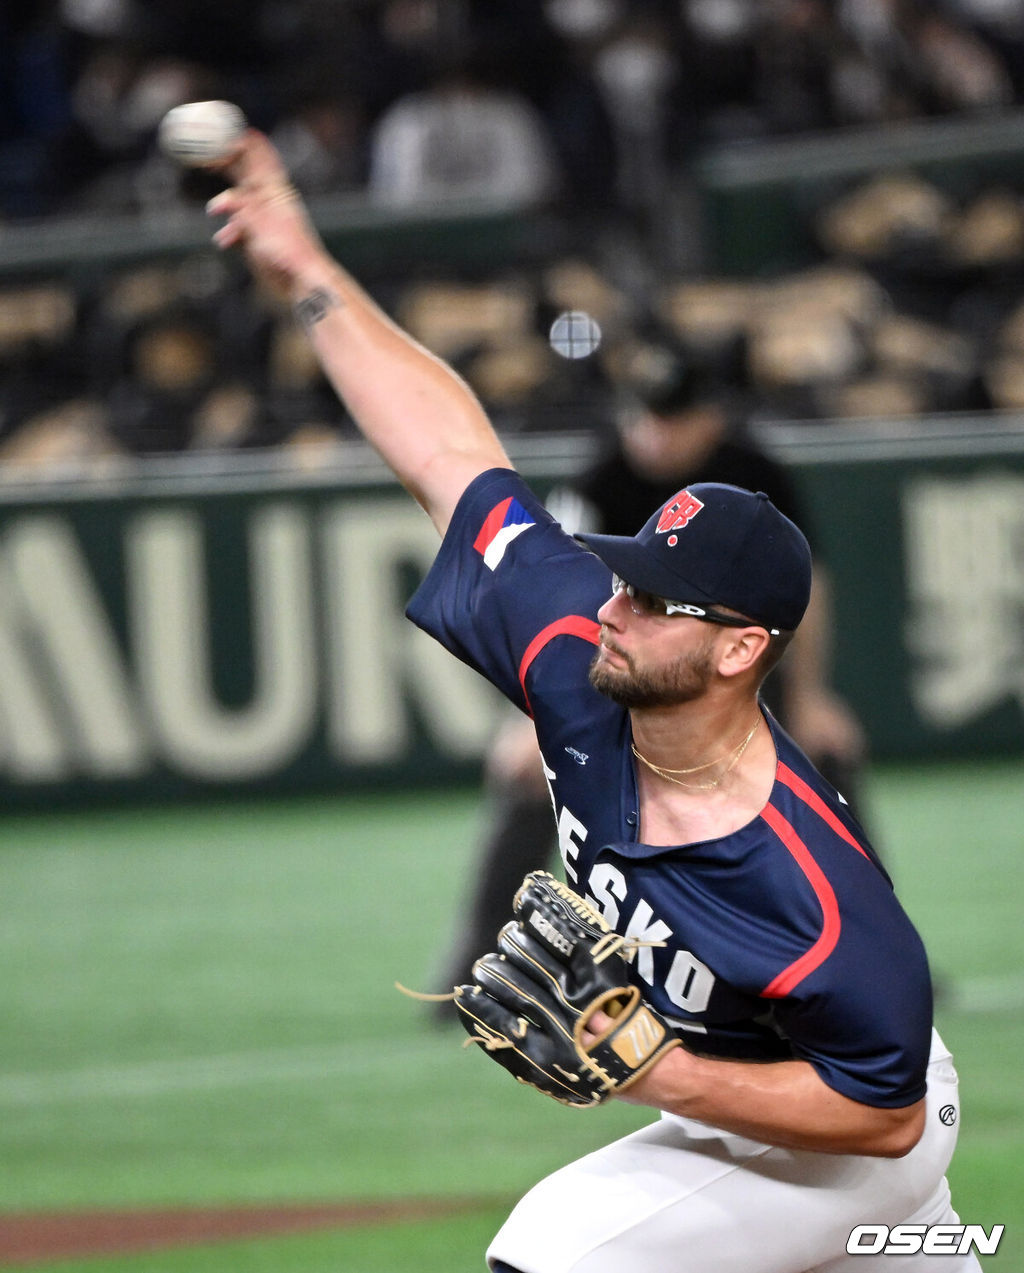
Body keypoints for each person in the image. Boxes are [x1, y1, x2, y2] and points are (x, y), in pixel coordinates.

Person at [207, 130, 976, 1272]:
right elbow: (447, 450)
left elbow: (887, 1112)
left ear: (739, 651)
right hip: (752, 1107)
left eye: (659, 602)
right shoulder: (578, 653)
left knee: (548, 1257)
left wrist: (655, 1070)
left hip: (850, 1128)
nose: (617, 606)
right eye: (626, 575)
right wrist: (306, 270)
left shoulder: (802, 879)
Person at [432, 339, 869, 1003]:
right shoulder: (602, 475)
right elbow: (541, 600)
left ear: (709, 419)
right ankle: (481, 959)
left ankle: (863, 955)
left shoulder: (751, 474)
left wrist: (811, 697)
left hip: (726, 676)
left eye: (670, 418)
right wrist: (532, 717)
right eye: (643, 415)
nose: (652, 433)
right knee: (531, 781)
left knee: (824, 761)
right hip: (606, 673)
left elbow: (808, 592)